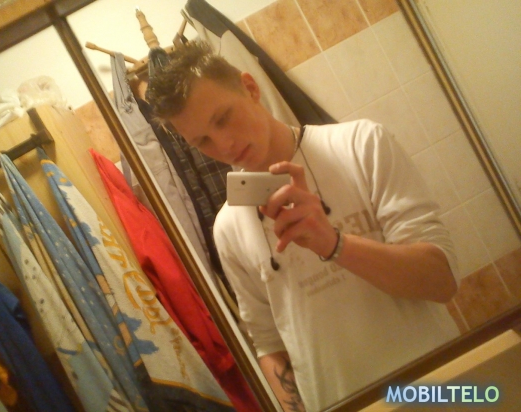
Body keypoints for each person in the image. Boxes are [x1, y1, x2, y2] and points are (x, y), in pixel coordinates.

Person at [147, 41, 460, 412]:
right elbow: (268, 344)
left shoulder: (361, 145)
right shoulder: (228, 228)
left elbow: (441, 282)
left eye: (223, 118)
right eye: (202, 141)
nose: (224, 144)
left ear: (250, 87)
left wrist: (335, 244)